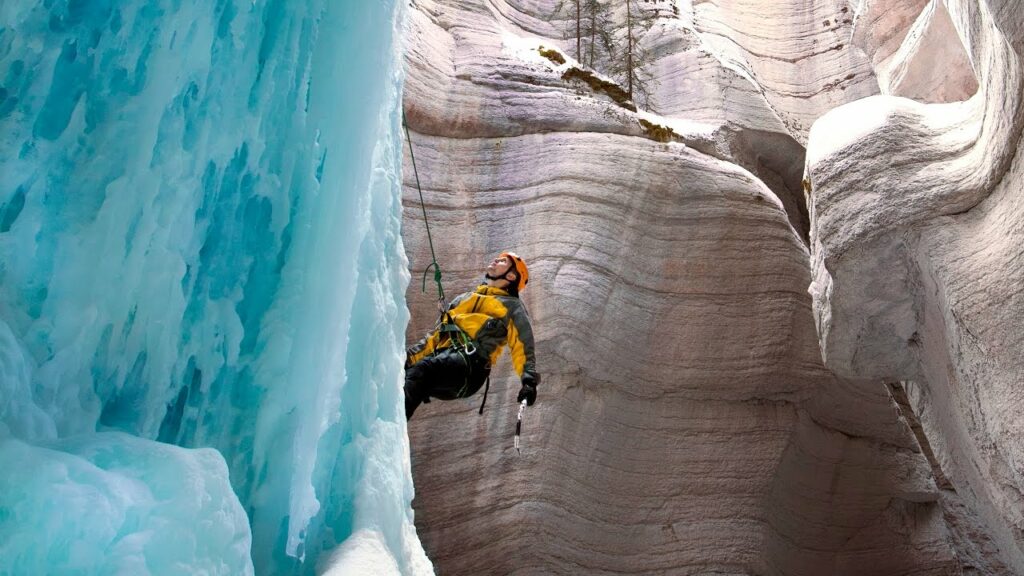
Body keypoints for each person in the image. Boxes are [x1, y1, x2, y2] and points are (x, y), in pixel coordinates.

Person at [405, 252, 539, 420]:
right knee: (410, 376)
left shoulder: (512, 306)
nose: (496, 260)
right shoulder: (463, 299)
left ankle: (391, 430)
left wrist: (529, 381)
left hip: (470, 367)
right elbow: (435, 336)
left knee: (423, 370)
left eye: (503, 261)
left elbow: (522, 344)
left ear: (512, 275)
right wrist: (408, 359)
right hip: (445, 360)